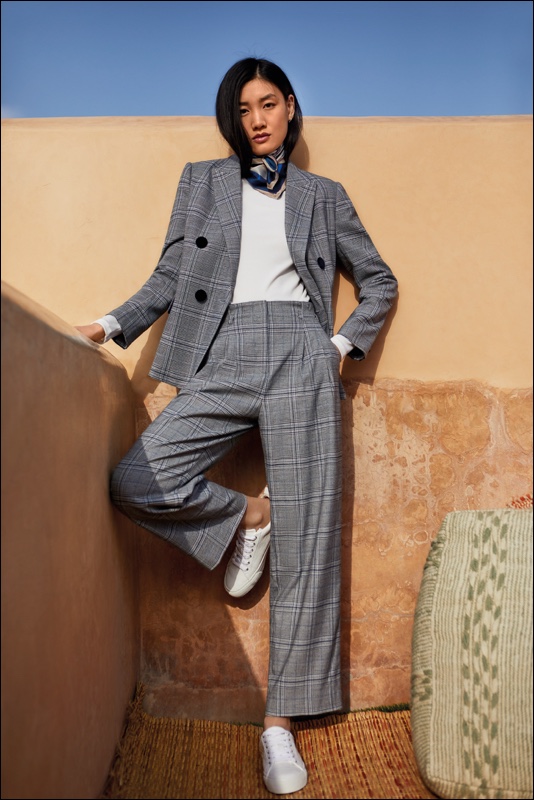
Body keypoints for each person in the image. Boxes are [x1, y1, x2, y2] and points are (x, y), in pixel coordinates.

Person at [76, 57, 398, 795]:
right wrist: (106, 324)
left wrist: (338, 346)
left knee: (309, 544)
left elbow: (378, 279)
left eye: (268, 104)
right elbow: (169, 276)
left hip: (302, 354)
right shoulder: (203, 183)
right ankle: (250, 517)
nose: (256, 120)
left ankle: (279, 725)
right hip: (222, 349)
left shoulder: (323, 195)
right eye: (243, 109)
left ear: (290, 107)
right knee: (136, 478)